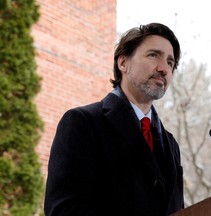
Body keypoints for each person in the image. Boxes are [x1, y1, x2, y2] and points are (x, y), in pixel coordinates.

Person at [44, 22, 184, 216]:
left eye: (170, 62)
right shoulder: (82, 122)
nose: (164, 68)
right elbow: (63, 209)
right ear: (123, 63)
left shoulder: (171, 145)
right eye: (154, 55)